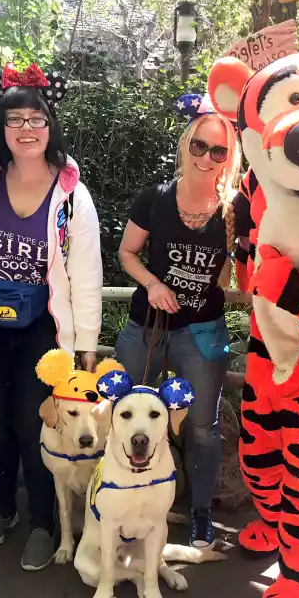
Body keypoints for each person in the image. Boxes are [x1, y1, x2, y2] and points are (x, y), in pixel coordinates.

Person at [0, 63, 103, 570]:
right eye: (14, 119)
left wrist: (86, 343)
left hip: (45, 327)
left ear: (50, 126)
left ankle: (43, 521)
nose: (26, 128)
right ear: (2, 128)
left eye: (36, 119)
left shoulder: (71, 192)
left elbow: (86, 271)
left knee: (32, 420)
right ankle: (1, 509)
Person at [114, 93, 242, 548]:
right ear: (185, 144)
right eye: (200, 146)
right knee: (124, 412)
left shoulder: (236, 209)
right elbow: (127, 253)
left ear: (230, 158)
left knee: (202, 426)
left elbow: (250, 267)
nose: (207, 158)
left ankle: (200, 512)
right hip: (146, 327)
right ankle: (122, 500)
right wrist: (152, 283)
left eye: (219, 151)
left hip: (202, 333)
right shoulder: (155, 199)